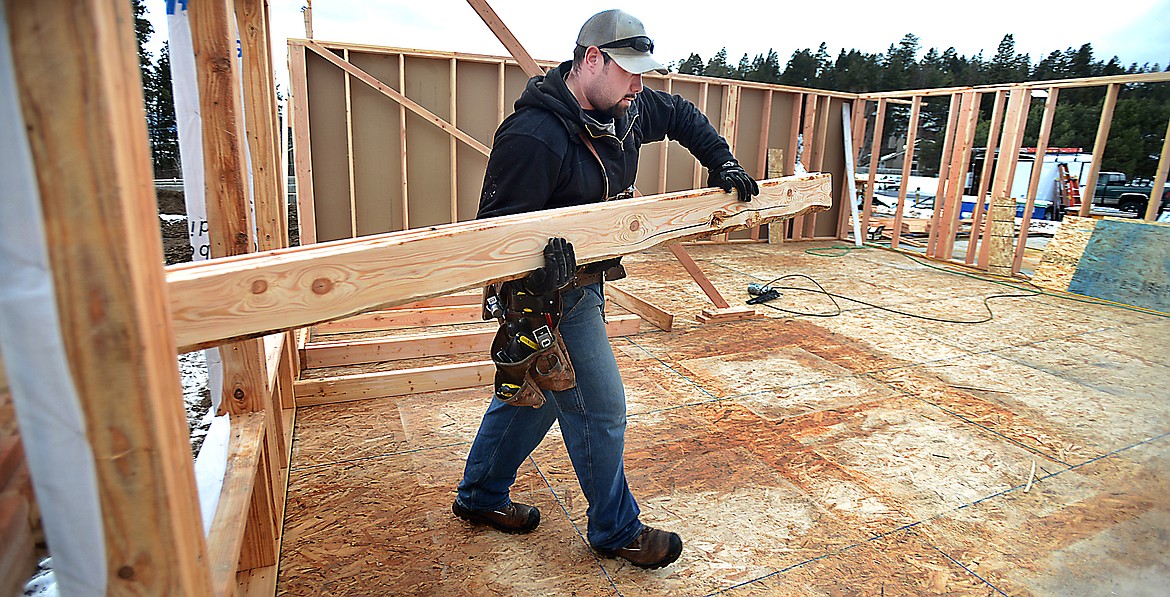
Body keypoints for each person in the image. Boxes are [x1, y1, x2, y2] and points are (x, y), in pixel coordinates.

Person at [452, 8, 758, 570]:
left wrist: (722, 161)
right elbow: (493, 231)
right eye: (629, 70)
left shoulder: (624, 109)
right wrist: (536, 272)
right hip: (546, 297)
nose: (639, 84)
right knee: (602, 408)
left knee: (536, 396)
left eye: (643, 73)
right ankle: (616, 530)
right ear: (591, 60)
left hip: (588, 279)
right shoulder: (534, 135)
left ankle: (479, 497)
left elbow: (683, 115)